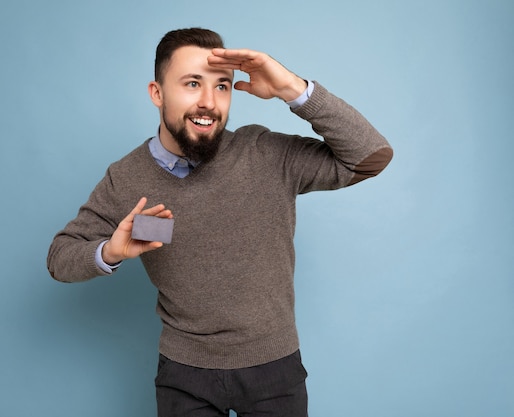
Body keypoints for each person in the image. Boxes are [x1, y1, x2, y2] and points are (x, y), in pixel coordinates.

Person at [47, 27, 393, 417]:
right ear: (157, 93)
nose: (209, 102)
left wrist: (292, 88)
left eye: (222, 86)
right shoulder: (126, 178)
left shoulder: (265, 153)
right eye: (192, 83)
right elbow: (60, 258)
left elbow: (370, 156)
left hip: (275, 371)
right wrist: (110, 250)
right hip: (184, 375)